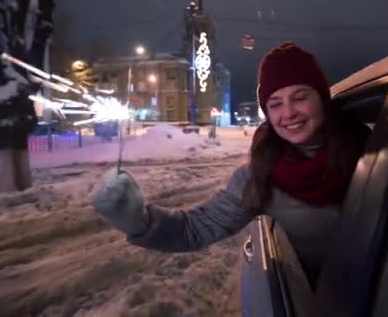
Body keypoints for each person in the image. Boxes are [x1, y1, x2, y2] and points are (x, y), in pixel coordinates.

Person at [93, 42, 370, 290]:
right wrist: (137, 220)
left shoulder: (377, 146)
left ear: (321, 97)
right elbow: (195, 228)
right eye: (275, 103)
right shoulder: (261, 176)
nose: (288, 114)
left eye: (300, 97)